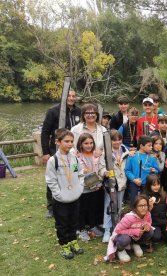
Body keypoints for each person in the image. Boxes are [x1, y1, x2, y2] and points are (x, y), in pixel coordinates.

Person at [41, 89, 81, 218]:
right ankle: (51, 207)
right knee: (54, 177)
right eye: (69, 95)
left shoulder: (79, 112)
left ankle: (71, 197)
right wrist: (46, 152)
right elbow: (45, 132)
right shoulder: (53, 111)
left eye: (74, 96)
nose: (71, 98)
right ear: (64, 97)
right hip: (56, 150)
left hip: (72, 150)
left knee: (71, 175)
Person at [45, 128, 84, 259]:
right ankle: (64, 244)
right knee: (62, 223)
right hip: (61, 199)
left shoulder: (74, 159)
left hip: (74, 197)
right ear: (57, 142)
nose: (70, 144)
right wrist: (58, 194)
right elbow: (51, 180)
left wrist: (80, 188)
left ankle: (73, 241)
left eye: (72, 141)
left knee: (74, 221)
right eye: (66, 141)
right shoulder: (53, 160)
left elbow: (80, 174)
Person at [98, 130, 129, 243]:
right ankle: (107, 229)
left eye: (119, 139)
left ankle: (116, 227)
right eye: (114, 140)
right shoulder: (105, 153)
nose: (117, 142)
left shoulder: (126, 151)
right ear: (109, 141)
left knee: (119, 206)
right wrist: (104, 172)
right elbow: (100, 168)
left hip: (122, 183)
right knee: (109, 206)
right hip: (111, 184)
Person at [104, 195, 154, 262]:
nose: (143, 208)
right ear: (135, 208)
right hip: (121, 235)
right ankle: (120, 250)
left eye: (145, 205)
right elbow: (118, 230)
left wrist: (147, 225)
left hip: (135, 236)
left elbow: (149, 222)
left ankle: (135, 244)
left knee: (150, 231)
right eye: (140, 206)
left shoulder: (147, 214)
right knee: (125, 239)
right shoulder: (129, 218)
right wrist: (135, 231)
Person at [76, 133, 104, 241]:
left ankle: (93, 226)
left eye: (91, 143)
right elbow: (76, 172)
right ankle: (81, 229)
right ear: (81, 144)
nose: (89, 145)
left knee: (93, 208)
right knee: (82, 209)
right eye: (86, 143)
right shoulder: (77, 157)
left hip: (95, 186)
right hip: (84, 188)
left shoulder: (96, 155)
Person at [125, 135, 159, 203]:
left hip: (147, 185)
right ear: (141, 146)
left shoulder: (152, 157)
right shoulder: (132, 156)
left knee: (146, 202)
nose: (151, 147)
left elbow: (157, 170)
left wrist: (154, 170)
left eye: (151, 145)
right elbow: (127, 170)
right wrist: (134, 179)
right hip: (134, 183)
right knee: (134, 202)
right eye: (149, 146)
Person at [144, 174, 167, 244]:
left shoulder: (164, 194)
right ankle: (159, 234)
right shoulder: (144, 197)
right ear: (149, 186)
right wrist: (149, 207)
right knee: (156, 237)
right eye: (154, 185)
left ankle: (164, 233)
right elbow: (142, 214)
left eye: (158, 184)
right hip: (153, 223)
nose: (156, 187)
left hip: (164, 221)